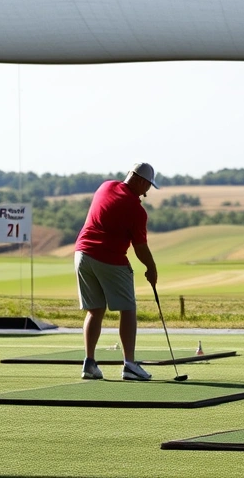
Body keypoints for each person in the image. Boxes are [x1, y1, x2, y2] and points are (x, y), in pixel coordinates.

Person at [74, 162, 160, 381]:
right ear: (140, 180)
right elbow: (140, 248)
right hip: (108, 257)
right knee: (127, 309)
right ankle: (129, 365)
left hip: (82, 254)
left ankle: (89, 364)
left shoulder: (105, 186)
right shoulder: (136, 210)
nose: (147, 191)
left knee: (95, 309)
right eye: (148, 185)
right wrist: (151, 268)